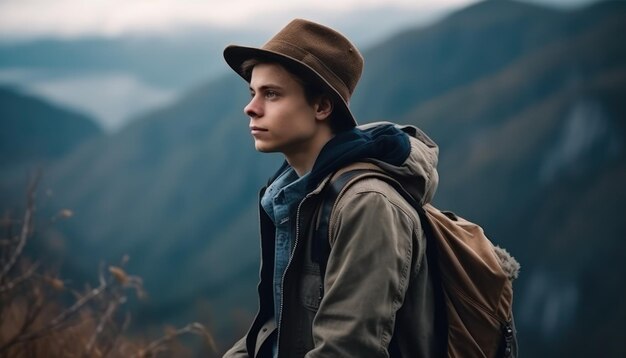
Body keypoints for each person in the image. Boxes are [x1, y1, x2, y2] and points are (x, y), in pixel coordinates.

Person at [222, 18, 445, 357]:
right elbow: (277, 331)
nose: (250, 107)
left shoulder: (367, 204)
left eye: (271, 94)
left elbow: (347, 350)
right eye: (253, 93)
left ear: (322, 107)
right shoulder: (298, 196)